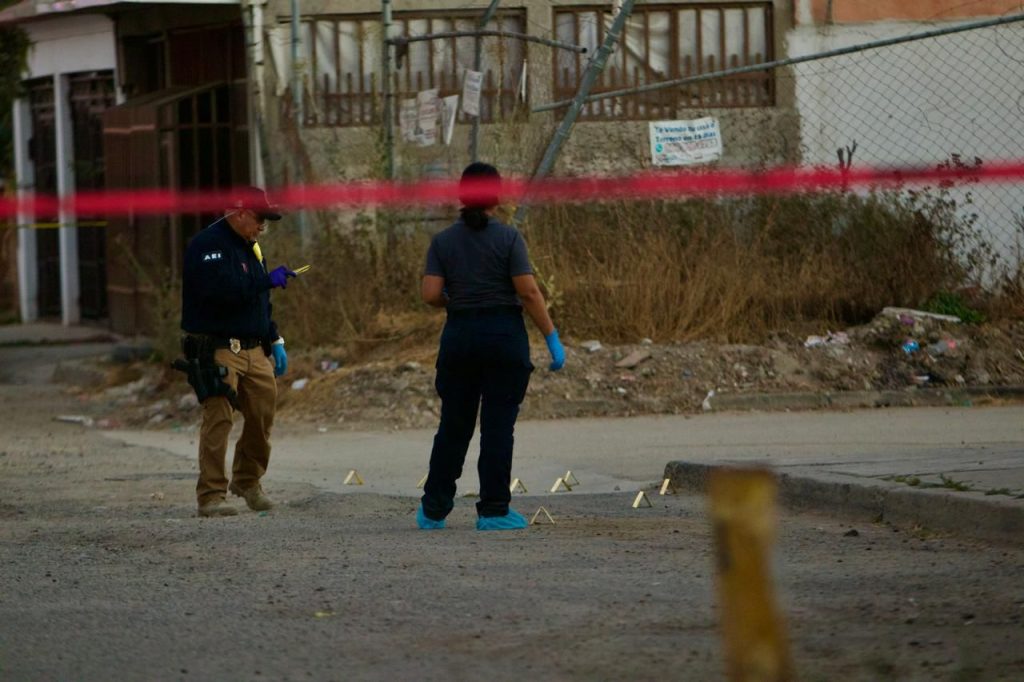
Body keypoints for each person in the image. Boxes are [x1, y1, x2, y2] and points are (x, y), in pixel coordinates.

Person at [418, 162, 566, 531]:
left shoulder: (443, 242)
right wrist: (551, 337)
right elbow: (528, 293)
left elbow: (431, 294)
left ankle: (433, 511)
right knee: (498, 427)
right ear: (496, 196)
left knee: (454, 425)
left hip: (460, 336)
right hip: (503, 336)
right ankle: (494, 511)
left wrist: (454, 299)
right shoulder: (509, 238)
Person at [179, 186, 296, 518]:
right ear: (240, 212)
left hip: (253, 348)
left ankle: (248, 481)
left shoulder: (252, 246)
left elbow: (259, 301)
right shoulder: (208, 246)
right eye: (260, 220)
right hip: (218, 348)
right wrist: (265, 282)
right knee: (219, 418)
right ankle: (211, 495)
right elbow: (221, 293)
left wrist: (274, 339)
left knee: (262, 416)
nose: (262, 228)